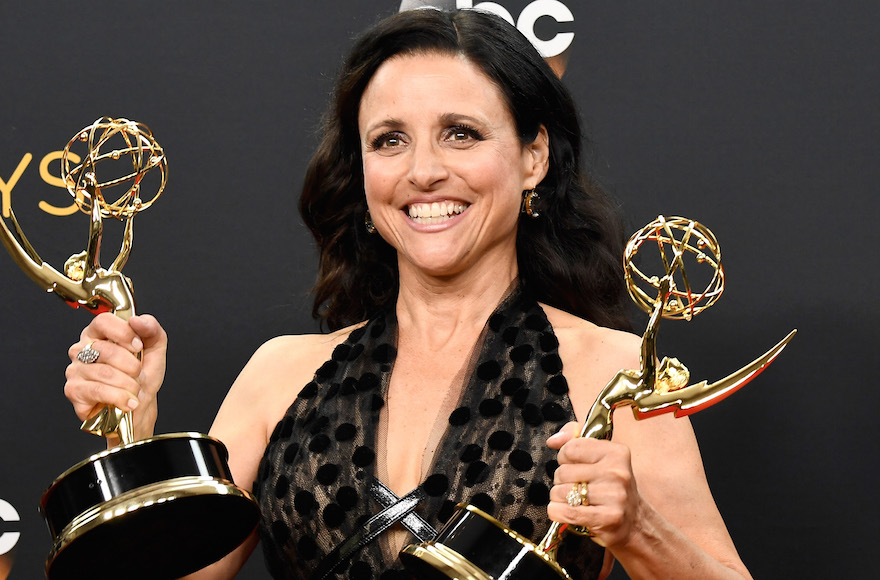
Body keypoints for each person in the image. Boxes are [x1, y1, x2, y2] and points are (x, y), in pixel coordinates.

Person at [63, 9, 753, 580]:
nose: (424, 171)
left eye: (461, 133)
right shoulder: (279, 375)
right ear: (361, 171)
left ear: (533, 156)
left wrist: (637, 530)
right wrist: (134, 438)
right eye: (389, 140)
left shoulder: (619, 377)